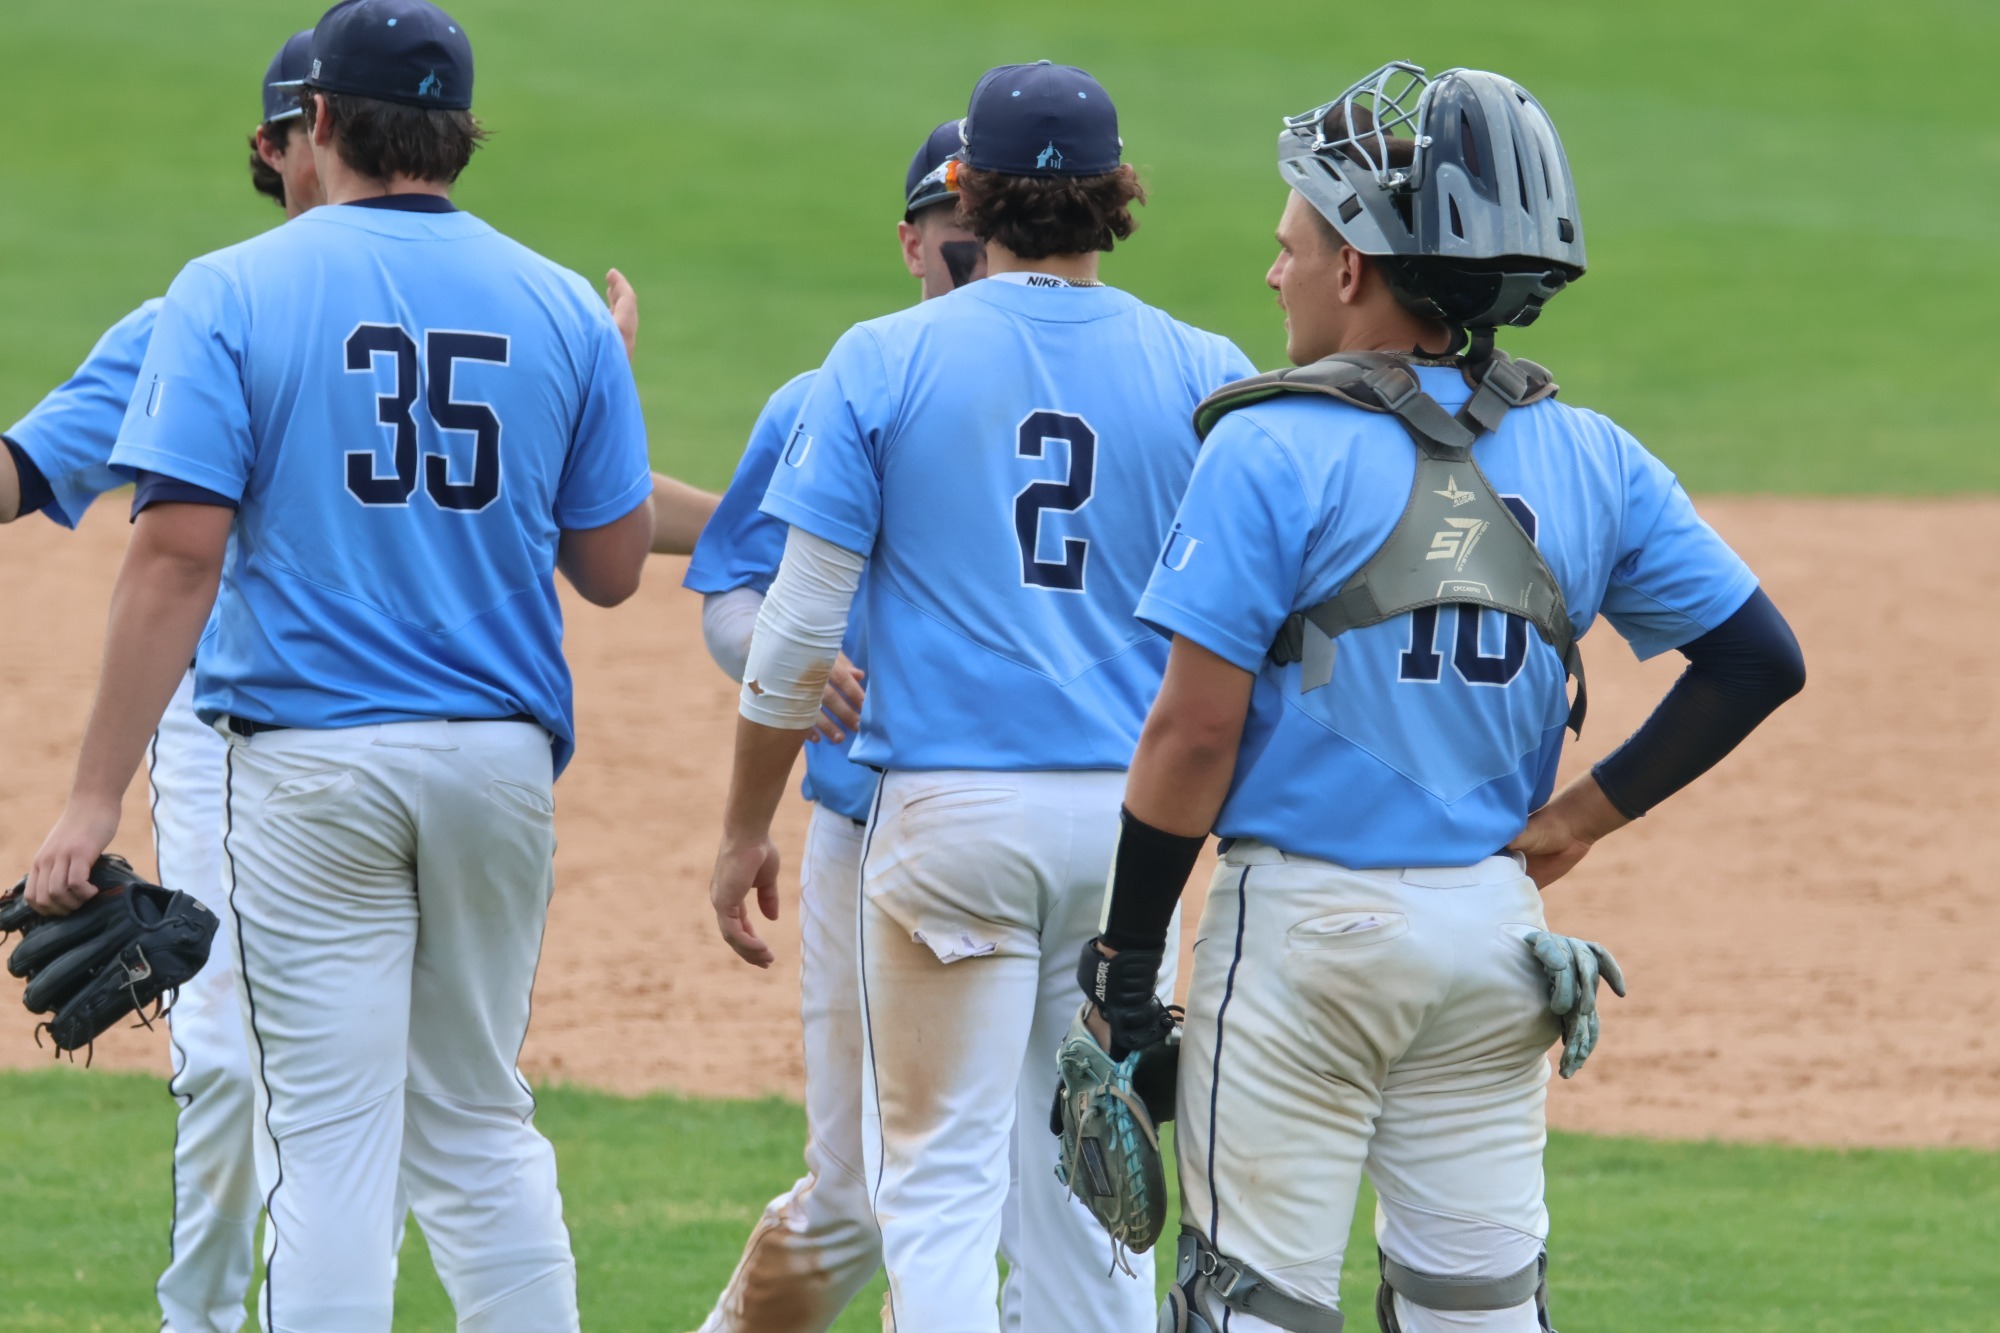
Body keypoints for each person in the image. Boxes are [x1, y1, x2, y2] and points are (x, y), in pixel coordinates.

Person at [1077, 64, 1806, 1333]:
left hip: (1303, 943)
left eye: (1288, 244)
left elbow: (1190, 732)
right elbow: (1758, 658)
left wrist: (1127, 964)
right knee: (1478, 1311)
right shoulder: (1588, 452)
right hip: (1494, 945)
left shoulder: (1268, 443)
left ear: (1353, 266)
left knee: (1251, 1305)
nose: (1275, 273)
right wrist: (1580, 816)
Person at [25, 2, 656, 1327]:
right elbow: (606, 568)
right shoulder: (560, 306)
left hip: (307, 764)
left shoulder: (230, 292)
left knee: (329, 1142)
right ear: (460, 132)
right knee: (483, 1122)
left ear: (317, 123)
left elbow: (178, 555)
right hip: (496, 765)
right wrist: (597, 381)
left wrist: (91, 796)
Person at [705, 61, 1254, 1333]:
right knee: (1091, 1181)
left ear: (967, 192)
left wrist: (742, 824)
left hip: (945, 822)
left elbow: (791, 635)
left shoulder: (882, 358)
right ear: (1120, 197)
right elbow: (1249, 631)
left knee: (938, 1183)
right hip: (1134, 832)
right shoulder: (1204, 366)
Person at [0, 31, 320, 1332]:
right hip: (223, 734)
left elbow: (599, 506)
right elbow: (25, 473)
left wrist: (798, 536)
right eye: (313, 125)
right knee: (237, 1065)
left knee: (400, 1081)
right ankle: (200, 1319)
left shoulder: (467, 311)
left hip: (410, 732)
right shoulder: (195, 316)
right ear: (276, 149)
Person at [685, 118, 987, 1333]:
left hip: (1013, 825)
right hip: (865, 825)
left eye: (986, 226)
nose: (966, 248)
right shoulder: (830, 391)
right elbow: (732, 595)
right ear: (910, 240)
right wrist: (786, 668)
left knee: (1015, 1191)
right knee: (863, 1193)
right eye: (947, 229)